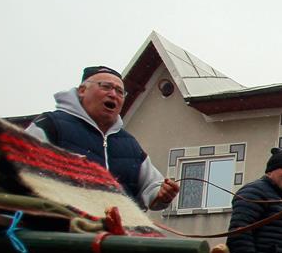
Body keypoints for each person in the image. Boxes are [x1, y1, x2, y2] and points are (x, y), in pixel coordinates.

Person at [26, 66, 179, 210]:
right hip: (61, 231)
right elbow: (18, 167)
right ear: (82, 90)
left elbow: (151, 187)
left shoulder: (129, 145)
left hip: (116, 235)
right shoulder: (51, 126)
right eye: (105, 86)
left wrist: (161, 194)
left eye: (120, 91)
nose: (113, 94)